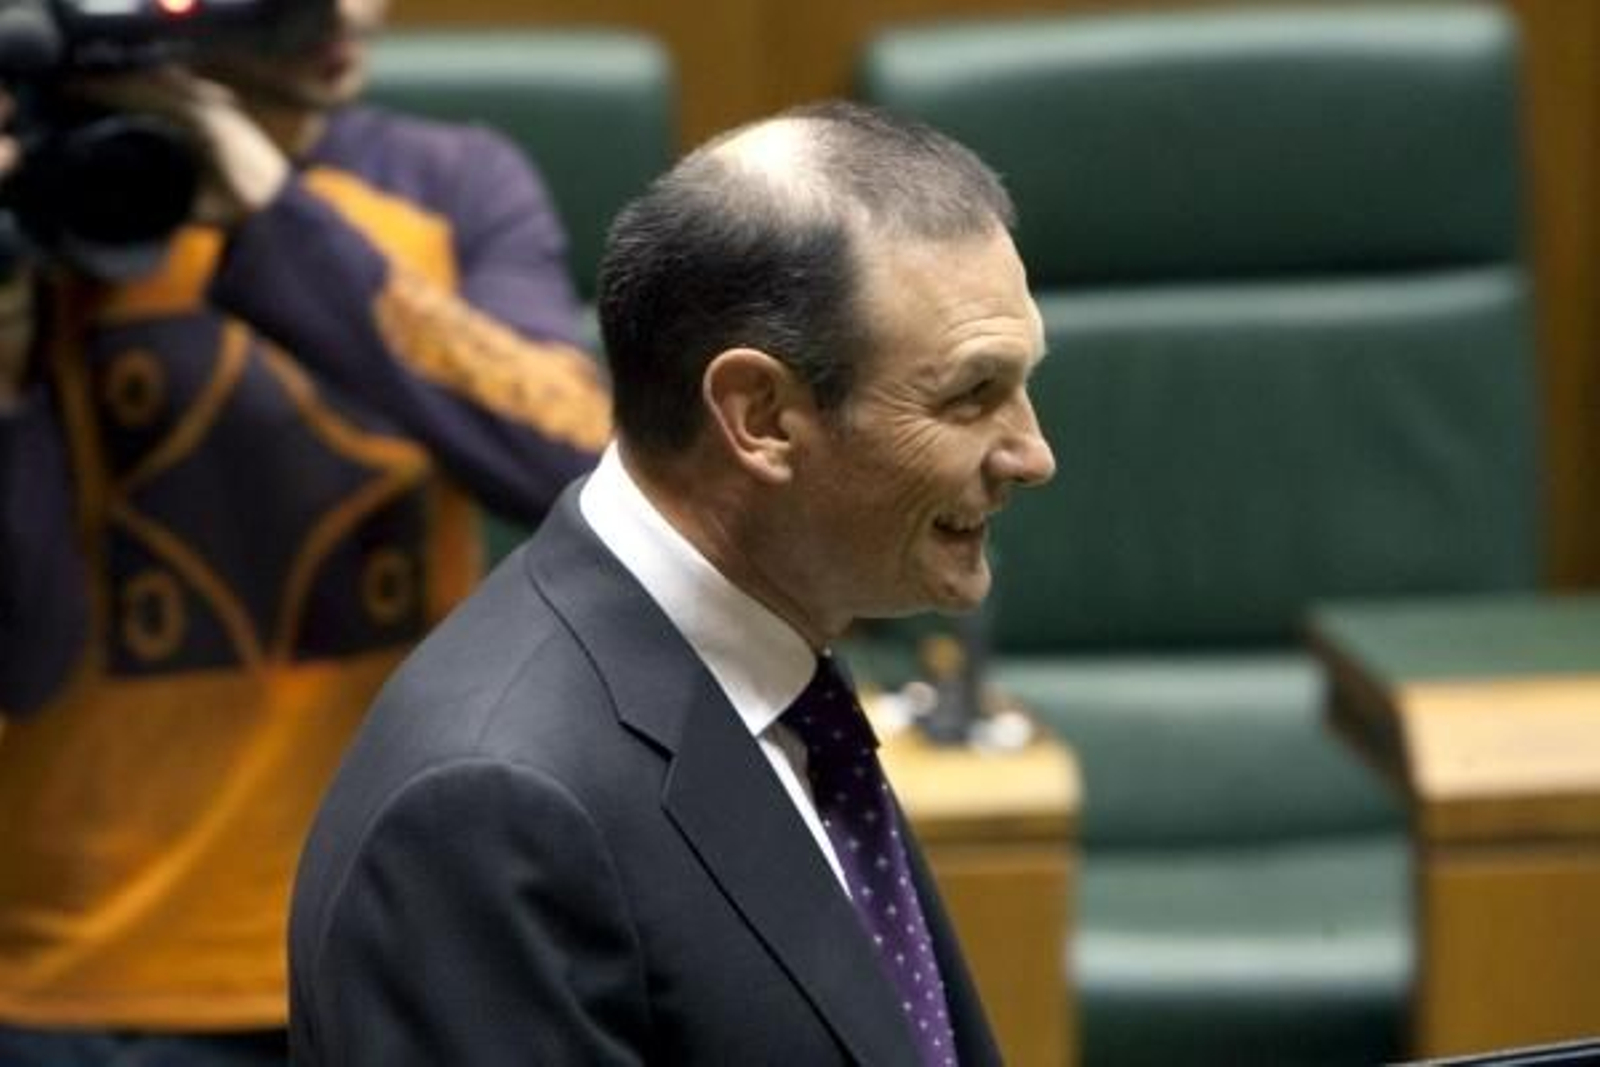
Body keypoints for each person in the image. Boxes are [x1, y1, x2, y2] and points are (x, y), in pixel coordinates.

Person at [290, 99, 1056, 1065]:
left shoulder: (778, 682)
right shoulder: (492, 812)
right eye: (972, 395)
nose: (1033, 455)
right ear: (760, 416)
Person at [0, 0, 610, 1061]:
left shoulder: (450, 181)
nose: (345, 13)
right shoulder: (55, 199)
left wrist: (269, 203)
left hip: (387, 933)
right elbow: (23, 648)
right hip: (81, 974)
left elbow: (572, 464)